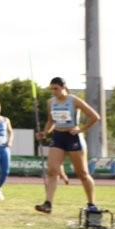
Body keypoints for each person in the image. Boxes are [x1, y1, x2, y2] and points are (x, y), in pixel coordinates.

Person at [34, 77, 99, 214]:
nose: (53, 91)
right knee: (52, 170)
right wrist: (45, 132)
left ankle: (92, 204)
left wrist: (81, 129)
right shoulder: (51, 102)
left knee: (82, 174)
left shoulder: (73, 100)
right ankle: (48, 204)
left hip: (73, 137)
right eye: (51, 89)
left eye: (56, 88)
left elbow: (94, 116)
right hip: (58, 136)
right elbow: (51, 121)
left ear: (64, 87)